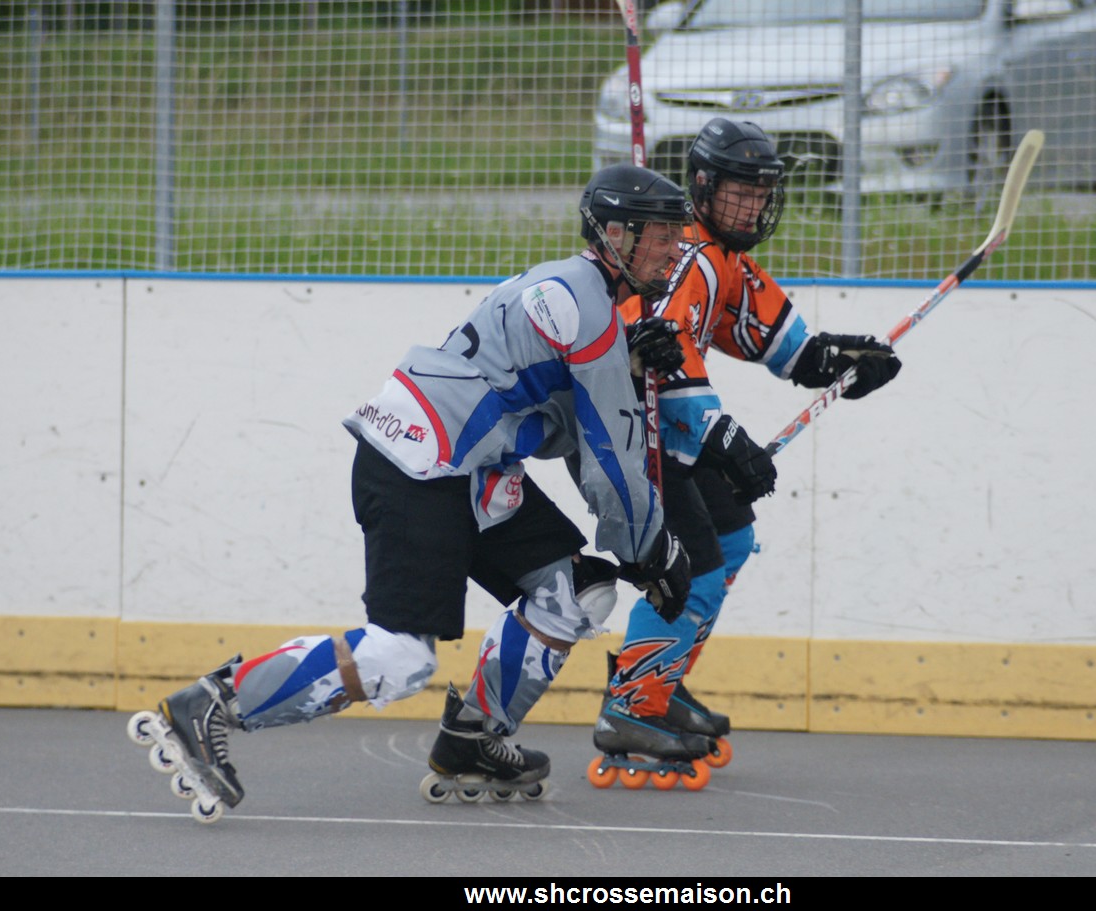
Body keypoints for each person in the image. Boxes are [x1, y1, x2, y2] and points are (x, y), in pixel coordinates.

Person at [127, 163, 697, 820]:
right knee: (398, 657)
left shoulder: (572, 291)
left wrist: (622, 362)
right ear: (616, 235)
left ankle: (473, 737)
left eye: (676, 236)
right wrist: (652, 549)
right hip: (419, 466)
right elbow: (610, 464)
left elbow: (554, 429)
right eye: (662, 236)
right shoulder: (589, 309)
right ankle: (212, 704)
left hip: (463, 468)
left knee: (577, 589)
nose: (674, 249)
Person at [601, 118, 903, 760]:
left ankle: (661, 679)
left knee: (733, 535)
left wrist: (846, 361)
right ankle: (631, 704)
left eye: (762, 195)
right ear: (703, 187)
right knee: (694, 571)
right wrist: (725, 437)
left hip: (668, 431)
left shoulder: (726, 260)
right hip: (634, 433)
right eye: (740, 193)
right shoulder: (686, 256)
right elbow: (667, 360)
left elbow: (787, 348)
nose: (753, 207)